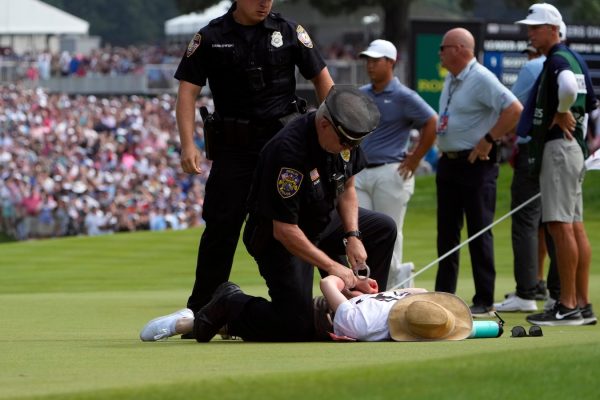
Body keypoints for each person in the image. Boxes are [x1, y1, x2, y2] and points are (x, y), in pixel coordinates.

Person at [141, 85, 397, 342]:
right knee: (295, 325)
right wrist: (333, 267)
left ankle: (365, 312)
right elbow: (284, 230)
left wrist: (353, 235)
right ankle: (229, 303)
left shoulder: (345, 139)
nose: (350, 148)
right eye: (346, 142)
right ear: (325, 125)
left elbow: (347, 186)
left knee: (382, 228)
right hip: (277, 237)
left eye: (355, 144)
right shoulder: (289, 152)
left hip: (320, 217)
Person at [156, 0, 334, 333]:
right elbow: (187, 91)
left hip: (284, 149)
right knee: (221, 228)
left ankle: (326, 299)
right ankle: (203, 308)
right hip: (235, 150)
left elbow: (323, 80)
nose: (265, 2)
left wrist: (332, 133)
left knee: (304, 220)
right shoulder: (211, 36)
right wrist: (188, 143)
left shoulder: (289, 31)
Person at [514, 3, 596, 326]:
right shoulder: (575, 59)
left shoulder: (557, 60)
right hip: (573, 150)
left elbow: (569, 89)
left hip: (559, 150)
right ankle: (582, 303)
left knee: (559, 226)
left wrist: (562, 110)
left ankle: (567, 305)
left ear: (553, 30)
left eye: (535, 27)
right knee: (574, 226)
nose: (530, 32)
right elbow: (589, 103)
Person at [434, 28, 522, 317]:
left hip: (476, 165)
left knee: (478, 231)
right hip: (449, 163)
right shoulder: (451, 78)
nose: (440, 53)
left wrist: (489, 138)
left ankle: (484, 299)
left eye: (443, 47)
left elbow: (514, 109)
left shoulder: (481, 77)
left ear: (460, 48)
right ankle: (443, 296)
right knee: (446, 234)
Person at [141, 275, 473, 342]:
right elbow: (327, 286)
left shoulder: (417, 299)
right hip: (322, 314)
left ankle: (217, 320)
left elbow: (416, 290)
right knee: (293, 328)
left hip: (343, 310)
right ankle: (228, 302)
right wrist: (344, 282)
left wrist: (365, 290)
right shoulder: (362, 321)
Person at [355, 39, 438, 289]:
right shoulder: (362, 94)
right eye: (368, 60)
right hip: (360, 173)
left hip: (391, 172)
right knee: (359, 232)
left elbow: (431, 122)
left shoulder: (404, 96)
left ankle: (392, 287)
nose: (370, 65)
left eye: (376, 60)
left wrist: (415, 158)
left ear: (390, 63)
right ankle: (372, 287)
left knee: (390, 233)